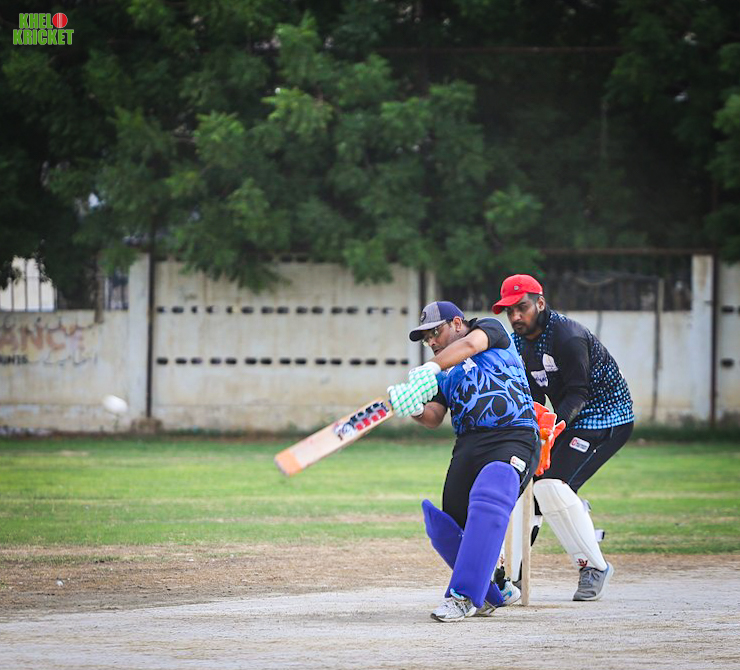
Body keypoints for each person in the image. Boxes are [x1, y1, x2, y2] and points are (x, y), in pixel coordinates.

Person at [388, 300, 540, 622]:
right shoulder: (443, 371)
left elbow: (471, 346)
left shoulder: (489, 330)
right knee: (448, 528)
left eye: (435, 332)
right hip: (469, 444)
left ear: (457, 323)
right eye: (426, 338)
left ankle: (463, 596)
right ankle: (494, 591)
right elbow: (434, 417)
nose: (431, 341)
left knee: (492, 492)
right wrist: (415, 408)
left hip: (513, 435)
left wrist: (431, 366)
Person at [492, 274, 634, 602]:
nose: (515, 316)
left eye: (522, 308)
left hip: (606, 418)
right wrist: (527, 428)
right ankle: (512, 577)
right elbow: (532, 394)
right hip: (568, 421)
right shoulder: (518, 342)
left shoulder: (568, 336)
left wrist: (551, 427)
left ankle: (594, 567)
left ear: (540, 303)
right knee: (529, 492)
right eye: (509, 311)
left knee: (551, 486)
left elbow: (578, 393)